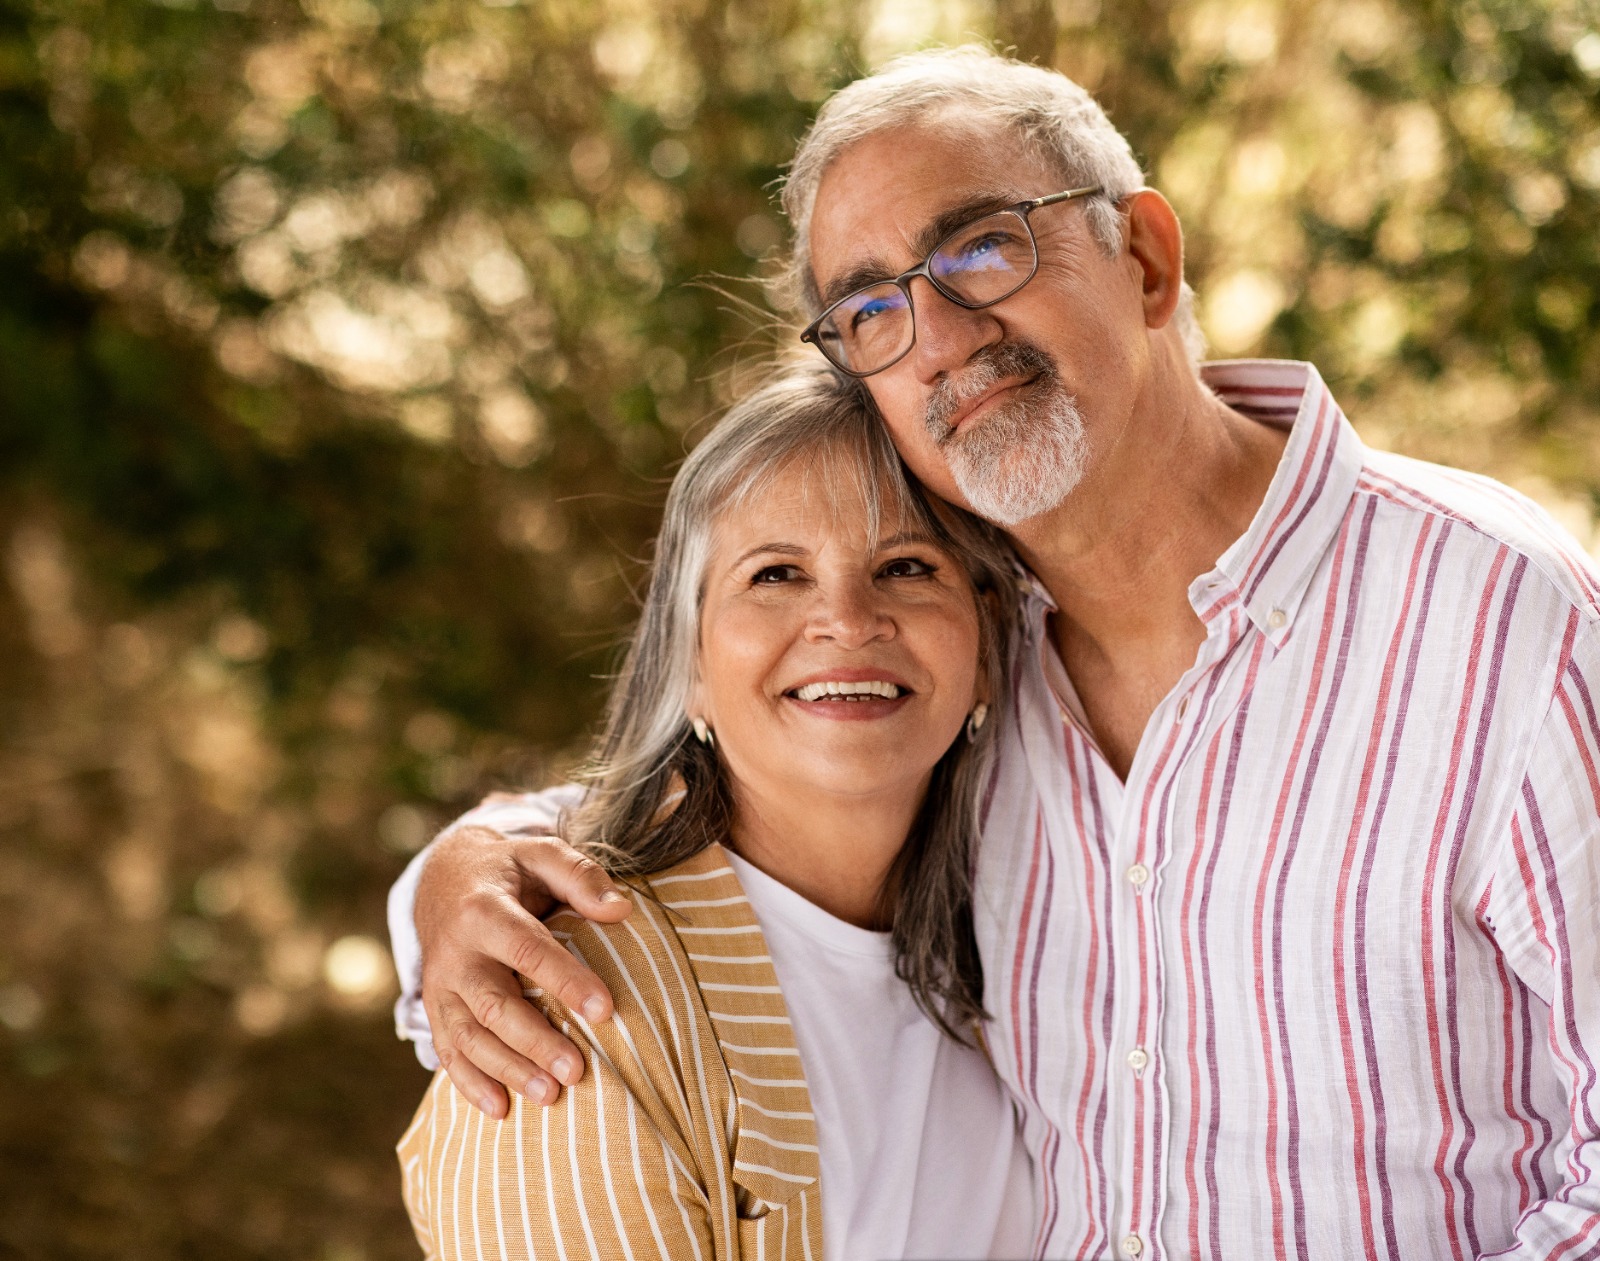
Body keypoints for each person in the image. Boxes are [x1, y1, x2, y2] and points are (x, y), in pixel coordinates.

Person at [391, 47, 1600, 1260]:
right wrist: (461, 867)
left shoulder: (1504, 619)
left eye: (979, 247)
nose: (939, 337)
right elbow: (744, 793)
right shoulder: (962, 644)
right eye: (870, 308)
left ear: (1144, 258)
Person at [396, 367, 1036, 1260]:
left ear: (989, 641)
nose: (847, 620)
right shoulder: (577, 1021)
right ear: (689, 663)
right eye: (776, 572)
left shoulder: (1029, 944)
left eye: (905, 566)